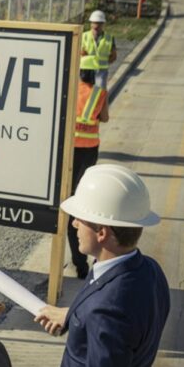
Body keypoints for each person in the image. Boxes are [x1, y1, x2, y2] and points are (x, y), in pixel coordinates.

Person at [35, 164, 169, 367]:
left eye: (79, 220)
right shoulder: (147, 270)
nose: (73, 226)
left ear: (102, 231)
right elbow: (129, 323)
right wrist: (74, 314)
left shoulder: (109, 309)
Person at [69, 70, 110, 279]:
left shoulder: (70, 90)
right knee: (81, 194)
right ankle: (83, 261)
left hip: (69, 150)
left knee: (70, 198)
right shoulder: (99, 94)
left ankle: (79, 261)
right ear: (93, 77)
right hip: (89, 150)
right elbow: (105, 118)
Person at [81, 10, 117, 89]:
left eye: (98, 23)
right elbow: (79, 52)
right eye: (94, 23)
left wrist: (105, 62)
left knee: (99, 93)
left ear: (103, 24)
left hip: (101, 71)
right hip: (86, 70)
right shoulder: (84, 36)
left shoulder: (109, 38)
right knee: (85, 94)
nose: (96, 26)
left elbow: (113, 56)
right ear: (91, 23)